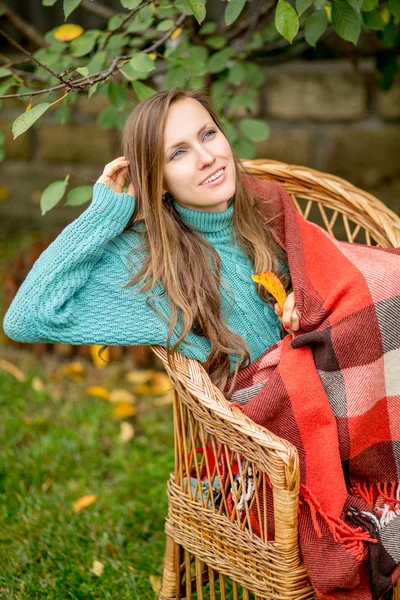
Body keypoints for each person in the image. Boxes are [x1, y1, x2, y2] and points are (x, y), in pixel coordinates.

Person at [3, 87, 298, 398]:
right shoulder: (152, 265)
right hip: (266, 426)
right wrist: (103, 217)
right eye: (178, 153)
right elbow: (25, 318)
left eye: (208, 134)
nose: (208, 158)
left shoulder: (268, 208)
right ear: (158, 183)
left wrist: (298, 303)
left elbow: (327, 285)